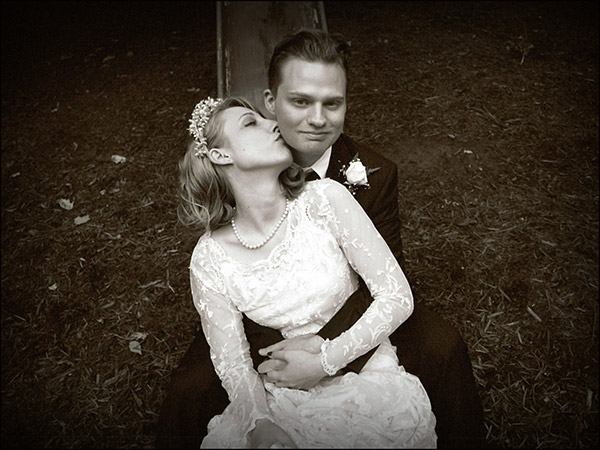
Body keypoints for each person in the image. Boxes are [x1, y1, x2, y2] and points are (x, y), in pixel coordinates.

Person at [156, 29, 485, 448]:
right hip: (263, 321)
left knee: (443, 346)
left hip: (348, 308)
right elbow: (234, 340)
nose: (317, 119)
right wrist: (279, 356)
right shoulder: (249, 173)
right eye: (300, 101)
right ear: (271, 105)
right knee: (191, 389)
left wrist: (323, 352)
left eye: (333, 103)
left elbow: (386, 283)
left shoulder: (369, 175)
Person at [177, 95, 437, 448]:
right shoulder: (209, 258)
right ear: (222, 155)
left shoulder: (325, 200)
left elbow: (397, 297)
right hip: (279, 394)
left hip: (365, 377)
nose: (273, 124)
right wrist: (258, 423)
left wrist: (325, 362)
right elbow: (234, 363)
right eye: (250, 123)